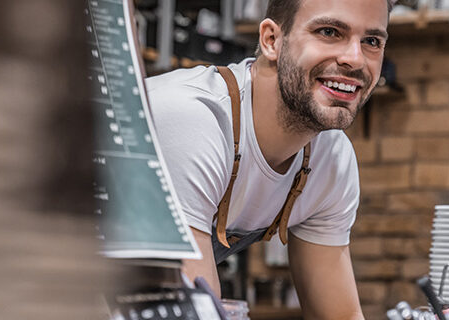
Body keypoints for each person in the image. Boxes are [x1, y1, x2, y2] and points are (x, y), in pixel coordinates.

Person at [146, 0, 389, 318]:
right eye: (329, 32)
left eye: (371, 41)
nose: (354, 59)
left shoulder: (330, 157)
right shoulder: (192, 119)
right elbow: (190, 312)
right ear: (272, 40)